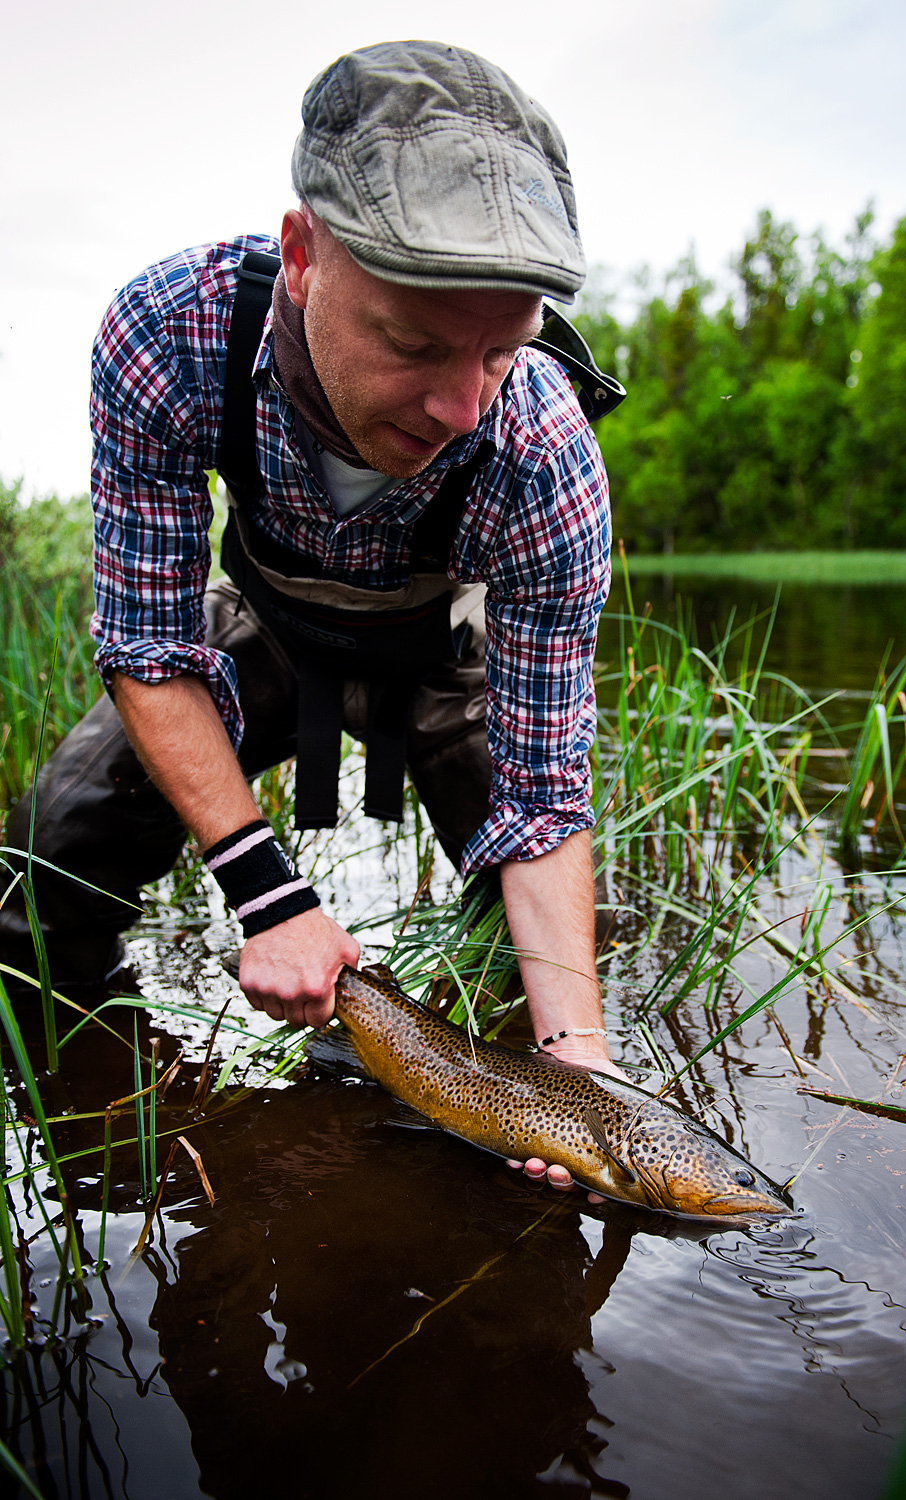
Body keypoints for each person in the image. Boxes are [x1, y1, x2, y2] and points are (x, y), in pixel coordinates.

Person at [0, 41, 625, 1182]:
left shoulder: (542, 455)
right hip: (264, 632)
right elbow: (148, 644)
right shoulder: (169, 335)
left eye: (503, 348)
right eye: (416, 343)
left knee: (551, 953)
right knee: (44, 870)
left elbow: (543, 802)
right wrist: (262, 888)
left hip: (445, 662)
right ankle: (114, 1145)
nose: (459, 404)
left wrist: (574, 1063)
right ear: (302, 254)